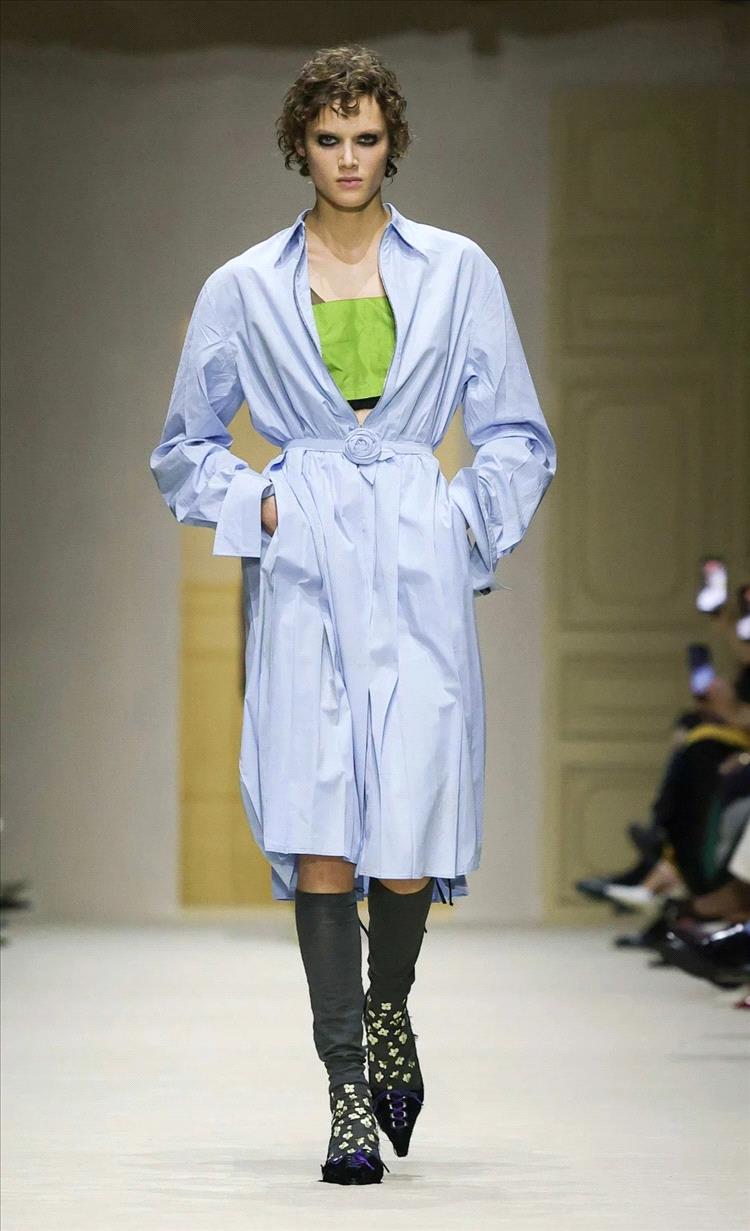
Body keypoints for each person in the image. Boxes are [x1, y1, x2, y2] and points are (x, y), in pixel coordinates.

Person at [149, 43, 557, 1185]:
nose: (347, 158)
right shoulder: (242, 287)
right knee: (320, 820)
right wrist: (264, 503)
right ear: (300, 144)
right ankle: (343, 1090)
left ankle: (389, 1012)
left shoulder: (459, 271)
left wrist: (460, 521)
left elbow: (517, 433)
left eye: (366, 138)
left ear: (392, 143)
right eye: (328, 139)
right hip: (307, 564)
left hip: (418, 558)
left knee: (413, 820)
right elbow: (182, 449)